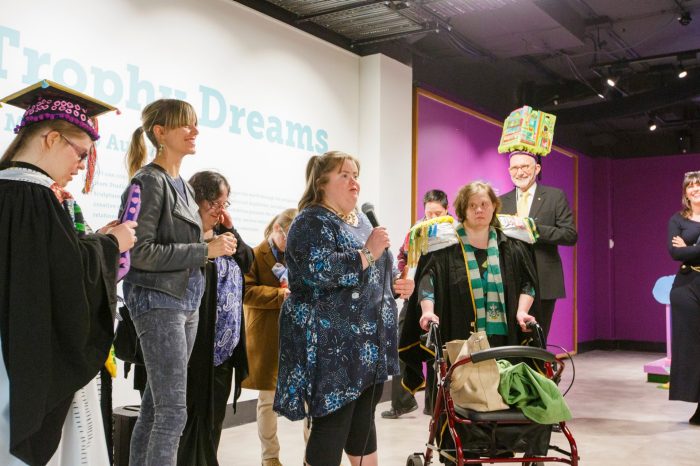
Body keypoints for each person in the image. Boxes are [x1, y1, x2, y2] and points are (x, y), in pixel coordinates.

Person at [0, 80, 136, 465]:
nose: (81, 166)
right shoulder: (34, 197)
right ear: (52, 138)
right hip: (26, 361)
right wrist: (112, 245)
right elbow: (64, 280)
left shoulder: (14, 192)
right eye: (82, 155)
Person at [274, 151, 414, 466]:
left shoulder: (361, 220)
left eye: (355, 175)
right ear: (322, 183)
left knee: (363, 421)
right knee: (333, 423)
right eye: (345, 176)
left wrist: (396, 285)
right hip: (333, 345)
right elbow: (317, 270)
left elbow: (373, 273)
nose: (355, 183)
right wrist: (367, 252)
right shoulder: (310, 220)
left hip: (368, 344)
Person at [121, 99, 236, 466]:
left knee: (157, 409)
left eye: (195, 124)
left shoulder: (182, 185)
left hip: (185, 303)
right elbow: (140, 254)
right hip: (158, 302)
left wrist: (208, 245)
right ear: (160, 133)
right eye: (185, 124)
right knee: (172, 412)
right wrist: (205, 250)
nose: (195, 131)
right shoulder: (149, 181)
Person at [400, 181, 538, 393]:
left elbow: (528, 283)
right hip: (458, 334)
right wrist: (427, 311)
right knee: (459, 398)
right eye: (472, 205)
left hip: (503, 337)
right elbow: (428, 280)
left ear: (494, 206)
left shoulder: (511, 246)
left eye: (484, 203)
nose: (479, 209)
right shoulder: (445, 245)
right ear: (462, 209)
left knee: (502, 397)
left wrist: (522, 311)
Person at [176, 170, 254, 465]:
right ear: (197, 201)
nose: (220, 211)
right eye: (215, 204)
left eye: (225, 204)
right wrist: (207, 252)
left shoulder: (224, 234)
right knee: (189, 424)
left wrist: (233, 230)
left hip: (224, 353)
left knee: (213, 424)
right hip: (195, 349)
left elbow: (247, 261)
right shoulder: (186, 236)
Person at [382, 189, 449, 419]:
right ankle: (402, 402)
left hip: (438, 300)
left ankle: (432, 404)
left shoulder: (452, 231)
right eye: (429, 213)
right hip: (412, 298)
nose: (433, 217)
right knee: (403, 346)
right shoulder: (415, 231)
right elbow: (402, 257)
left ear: (447, 210)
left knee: (435, 351)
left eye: (437, 213)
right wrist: (402, 277)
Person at [499, 151, 577, 339]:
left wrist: (532, 228)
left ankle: (538, 368)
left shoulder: (554, 196)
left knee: (537, 337)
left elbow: (570, 235)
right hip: (510, 278)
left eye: (525, 166)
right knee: (511, 337)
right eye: (515, 168)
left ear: (537, 168)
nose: (520, 172)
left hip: (544, 278)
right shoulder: (501, 201)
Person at [243, 208, 298, 466]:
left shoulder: (299, 255)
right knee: (267, 400)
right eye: (290, 236)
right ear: (277, 229)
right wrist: (279, 296)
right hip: (265, 336)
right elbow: (246, 291)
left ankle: (316, 455)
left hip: (297, 336)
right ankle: (270, 457)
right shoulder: (254, 254)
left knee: (309, 397)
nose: (295, 243)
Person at [668, 170, 700, 426]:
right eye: (691, 186)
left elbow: (685, 250)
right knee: (691, 348)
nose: (695, 189)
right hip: (686, 288)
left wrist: (690, 248)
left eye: (699, 185)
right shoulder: (677, 219)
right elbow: (675, 254)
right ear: (685, 192)